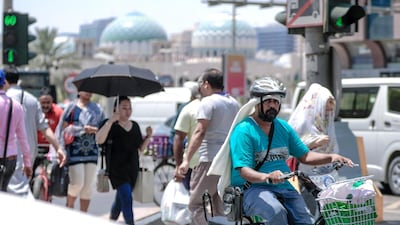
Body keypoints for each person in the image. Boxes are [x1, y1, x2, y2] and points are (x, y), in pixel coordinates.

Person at [225, 77, 353, 225]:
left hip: (284, 186)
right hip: (252, 189)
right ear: (256, 102)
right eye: (268, 101)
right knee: (276, 213)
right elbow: (244, 171)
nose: (273, 105)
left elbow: (305, 156)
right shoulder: (244, 131)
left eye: (276, 101)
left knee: (305, 220)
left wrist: (332, 157)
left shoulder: (283, 127)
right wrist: (267, 177)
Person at [178, 68, 240, 225]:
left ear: (206, 84)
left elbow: (200, 132)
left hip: (209, 160)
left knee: (195, 204)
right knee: (218, 204)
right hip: (228, 160)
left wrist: (186, 160)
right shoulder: (234, 103)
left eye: (200, 84)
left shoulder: (208, 102)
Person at [5, 68, 66, 197]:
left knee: (17, 193)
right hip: (29, 153)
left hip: (9, 154)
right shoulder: (32, 100)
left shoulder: (5, 100)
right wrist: (58, 148)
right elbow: (45, 128)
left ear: (4, 81)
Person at [96, 96, 152, 225]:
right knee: (127, 198)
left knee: (121, 200)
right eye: (124, 108)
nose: (128, 111)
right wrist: (110, 122)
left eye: (130, 108)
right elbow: (99, 140)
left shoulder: (135, 126)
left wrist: (148, 137)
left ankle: (112, 220)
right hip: (116, 170)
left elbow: (140, 149)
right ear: (116, 109)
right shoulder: (109, 125)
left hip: (132, 168)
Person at [56, 91, 104, 212]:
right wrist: (61, 148)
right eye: (85, 89)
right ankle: (69, 208)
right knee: (77, 183)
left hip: (92, 152)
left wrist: (93, 129)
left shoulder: (97, 109)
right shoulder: (71, 108)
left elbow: (103, 128)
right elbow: (62, 129)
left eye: (90, 90)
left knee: (87, 187)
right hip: (74, 152)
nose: (88, 92)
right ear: (79, 91)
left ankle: (83, 216)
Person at [287, 83, 339, 175]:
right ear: (318, 102)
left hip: (325, 171)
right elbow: (290, 148)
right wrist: (314, 142)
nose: (331, 107)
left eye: (332, 102)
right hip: (304, 174)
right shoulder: (301, 122)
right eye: (328, 102)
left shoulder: (326, 122)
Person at [0, 69, 32, 192]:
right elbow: (23, 137)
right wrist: (27, 162)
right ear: (4, 83)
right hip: (10, 159)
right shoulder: (16, 106)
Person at [173, 81, 201, 190]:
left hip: (191, 163)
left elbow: (178, 138)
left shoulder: (188, 108)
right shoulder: (223, 106)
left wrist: (179, 165)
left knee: (191, 200)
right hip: (214, 164)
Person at [37, 87, 64, 160]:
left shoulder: (59, 112)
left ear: (52, 101)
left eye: (48, 102)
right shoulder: (34, 111)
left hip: (53, 147)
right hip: (36, 147)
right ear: (39, 101)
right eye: (43, 103)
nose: (45, 105)